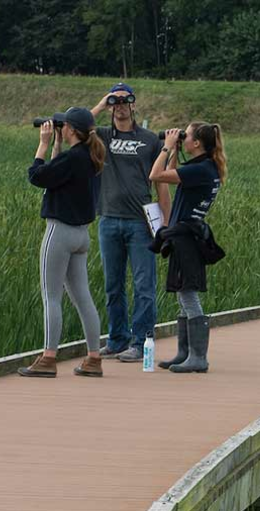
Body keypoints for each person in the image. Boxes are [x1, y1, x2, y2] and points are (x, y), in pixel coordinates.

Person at [18, 107, 107, 378]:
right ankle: (94, 358)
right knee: (83, 297)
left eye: (62, 126)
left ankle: (48, 358)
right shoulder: (91, 157)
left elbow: (38, 177)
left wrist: (43, 145)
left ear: (70, 129)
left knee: (51, 297)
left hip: (60, 231)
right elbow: (58, 177)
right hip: (81, 235)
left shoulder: (72, 158)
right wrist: (57, 145)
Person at [89, 83, 172, 363]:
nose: (121, 105)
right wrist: (101, 104)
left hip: (140, 222)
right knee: (113, 285)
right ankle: (116, 339)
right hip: (109, 219)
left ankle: (141, 342)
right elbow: (73, 129)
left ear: (134, 105)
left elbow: (161, 184)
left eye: (126, 101)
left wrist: (166, 226)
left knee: (143, 285)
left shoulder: (149, 140)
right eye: (116, 101)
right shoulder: (101, 136)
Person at [149, 122, 226, 374]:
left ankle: (198, 357)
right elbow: (173, 176)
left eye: (186, 135)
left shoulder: (201, 170)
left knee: (188, 294)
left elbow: (156, 176)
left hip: (187, 238)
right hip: (187, 235)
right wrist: (175, 150)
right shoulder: (204, 167)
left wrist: (166, 147)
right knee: (183, 293)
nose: (182, 136)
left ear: (196, 144)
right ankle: (185, 353)